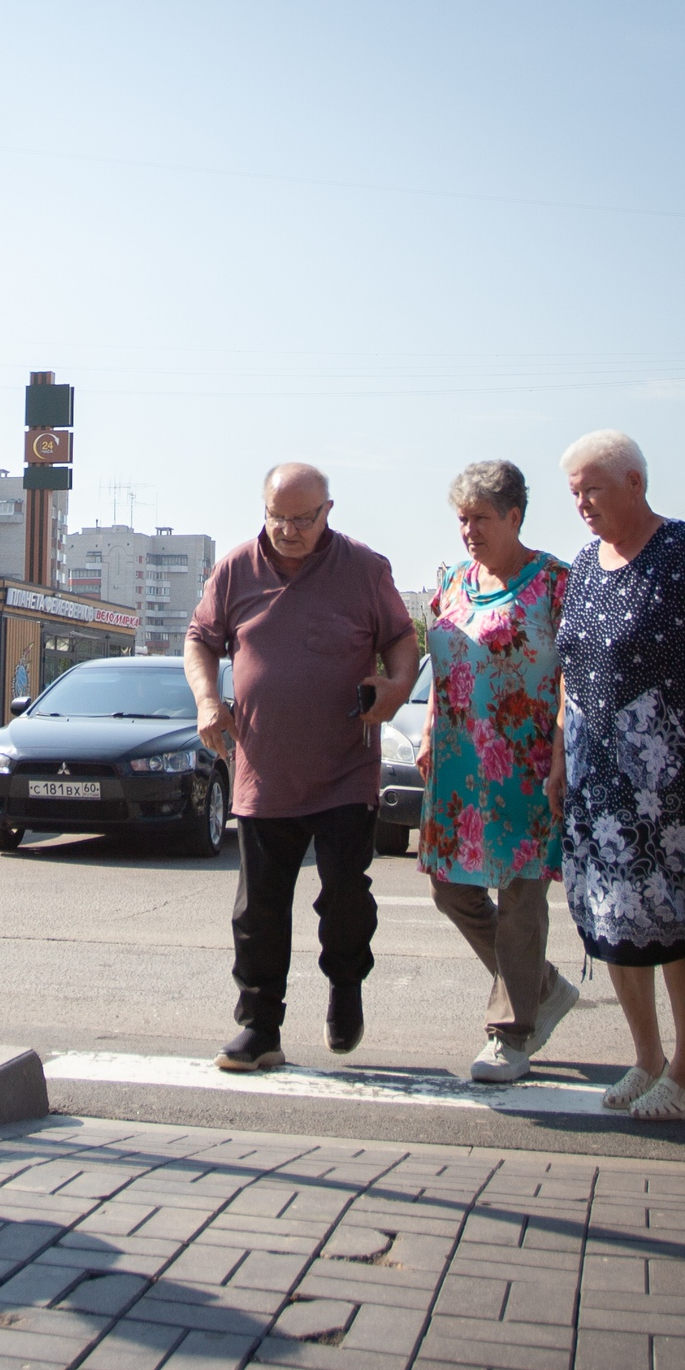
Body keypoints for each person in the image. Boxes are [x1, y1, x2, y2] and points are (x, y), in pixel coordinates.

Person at [185, 463, 418, 1073]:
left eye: (301, 518)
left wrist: (394, 690)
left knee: (343, 894)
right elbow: (200, 639)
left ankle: (346, 985)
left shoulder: (365, 569)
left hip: (345, 765)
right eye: (276, 516)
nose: (287, 530)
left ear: (328, 511)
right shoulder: (236, 567)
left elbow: (401, 640)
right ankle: (259, 1027)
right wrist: (210, 700)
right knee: (258, 907)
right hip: (264, 766)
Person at [550, 430, 685, 1123]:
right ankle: (647, 1059)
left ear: (636, 482)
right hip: (597, 785)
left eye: (593, 488)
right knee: (613, 921)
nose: (582, 503)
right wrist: (557, 760)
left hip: (676, 781)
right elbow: (568, 671)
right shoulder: (583, 564)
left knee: (676, 924)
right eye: (574, 491)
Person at [417, 462, 579, 1084]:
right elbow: (442, 661)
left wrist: (564, 748)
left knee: (519, 892)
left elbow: (577, 675)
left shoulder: (556, 583)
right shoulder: (453, 582)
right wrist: (431, 727)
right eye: (462, 518)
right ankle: (540, 985)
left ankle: (511, 1032)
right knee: (447, 887)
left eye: (481, 518)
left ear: (515, 517)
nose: (469, 530)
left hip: (527, 762)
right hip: (458, 764)